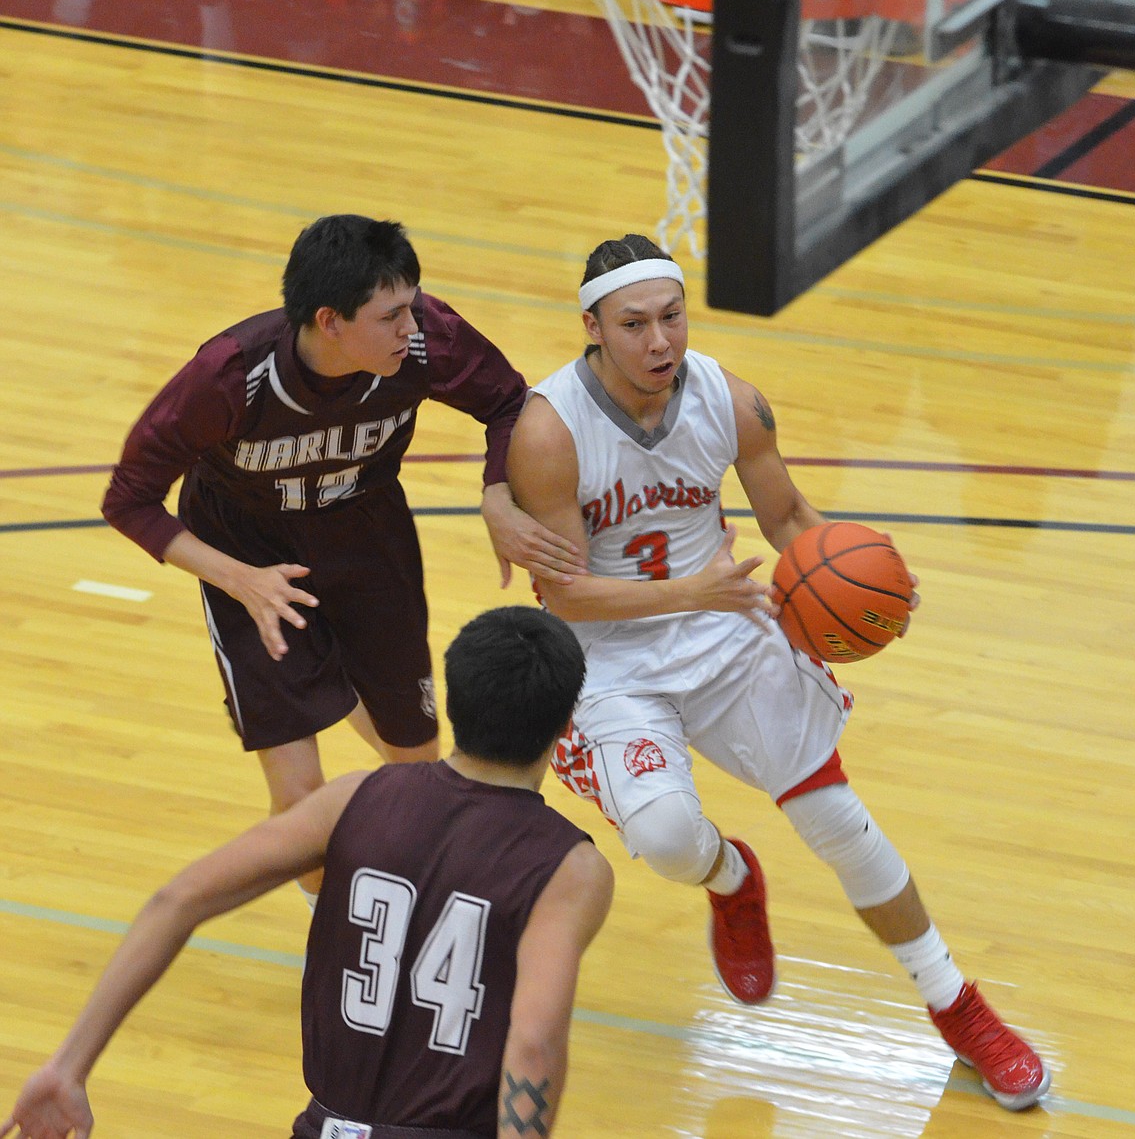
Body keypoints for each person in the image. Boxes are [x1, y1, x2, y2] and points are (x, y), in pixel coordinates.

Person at [505, 231, 1052, 1112]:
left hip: (728, 635)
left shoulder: (730, 398)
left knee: (841, 822)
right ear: (593, 327)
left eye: (672, 318)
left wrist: (872, 584)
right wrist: (695, 589)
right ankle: (733, 879)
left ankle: (960, 1009)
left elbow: (789, 514)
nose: (660, 343)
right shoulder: (549, 429)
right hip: (614, 660)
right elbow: (566, 598)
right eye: (635, 324)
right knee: (671, 843)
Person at [100, 213, 583, 899]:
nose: (411, 330)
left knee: (414, 767)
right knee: (300, 801)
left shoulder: (426, 341)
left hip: (366, 536)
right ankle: (346, 934)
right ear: (329, 321)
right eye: (390, 317)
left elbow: (509, 400)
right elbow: (129, 499)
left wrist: (497, 495)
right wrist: (240, 582)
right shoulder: (229, 376)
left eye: (412, 308)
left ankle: (350, 705)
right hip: (250, 553)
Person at [0, 606, 615, 1139]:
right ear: (565, 728)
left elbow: (178, 899)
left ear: (452, 703)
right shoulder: (571, 867)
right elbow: (532, 1042)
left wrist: (68, 1066)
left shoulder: (355, 799)